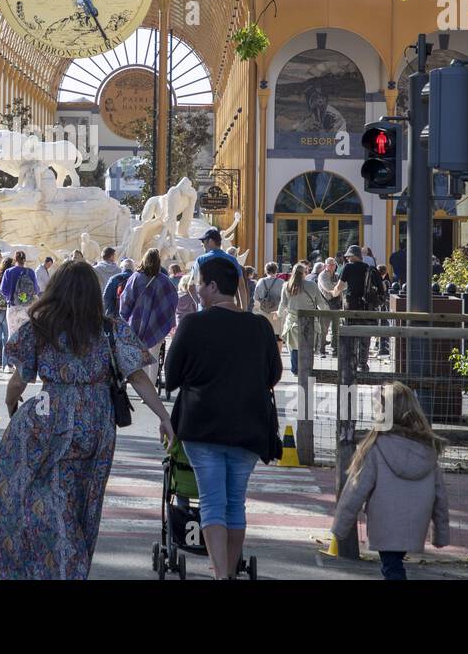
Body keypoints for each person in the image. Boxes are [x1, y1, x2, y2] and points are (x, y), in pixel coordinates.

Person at [0, 260, 174, 579]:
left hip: (46, 420)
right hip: (95, 425)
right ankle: (66, 565)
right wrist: (164, 418)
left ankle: (41, 565)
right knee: (81, 502)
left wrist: (11, 406)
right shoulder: (111, 330)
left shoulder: (39, 326)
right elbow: (138, 377)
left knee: (32, 495)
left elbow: (20, 380)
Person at [164, 257, 283, 579]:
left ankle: (221, 574)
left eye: (200, 284)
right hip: (250, 427)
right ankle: (228, 570)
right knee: (235, 504)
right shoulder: (260, 326)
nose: (197, 290)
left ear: (213, 287)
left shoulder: (193, 324)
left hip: (202, 426)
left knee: (212, 502)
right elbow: (273, 374)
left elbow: (171, 376)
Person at [332, 382, 451, 580]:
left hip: (384, 523)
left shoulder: (375, 447)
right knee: (393, 566)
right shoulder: (427, 449)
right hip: (416, 524)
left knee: (392, 569)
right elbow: (441, 496)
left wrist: (340, 528)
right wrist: (441, 533)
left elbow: (355, 490)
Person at [119, 248, 178, 383]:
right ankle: (152, 385)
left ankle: (143, 388)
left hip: (136, 323)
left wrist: (124, 317)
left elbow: (126, 300)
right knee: (154, 356)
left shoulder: (135, 277)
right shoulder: (164, 281)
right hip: (158, 324)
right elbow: (173, 300)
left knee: (141, 356)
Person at [333, 245, 384, 370]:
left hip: (352, 306)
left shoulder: (348, 267)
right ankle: (362, 364)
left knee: (351, 335)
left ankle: (351, 364)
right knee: (365, 336)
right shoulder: (368, 268)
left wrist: (333, 292)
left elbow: (339, 287)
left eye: (349, 256)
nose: (348, 259)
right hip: (366, 306)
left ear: (353, 256)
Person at [277, 262, 323, 375]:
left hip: (292, 321)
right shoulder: (312, 285)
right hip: (310, 320)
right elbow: (321, 304)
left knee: (293, 347)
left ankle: (295, 370)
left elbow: (282, 304)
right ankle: (307, 369)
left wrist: (278, 314)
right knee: (308, 347)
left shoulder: (286, 285)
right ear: (305, 273)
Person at [0, 250, 39, 337]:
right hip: (27, 307)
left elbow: (3, 290)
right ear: (24, 260)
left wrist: (11, 296)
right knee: (27, 336)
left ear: (15, 259)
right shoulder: (30, 272)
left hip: (13, 307)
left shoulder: (8, 272)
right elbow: (36, 290)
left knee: (12, 335)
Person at [251, 262, 284, 328]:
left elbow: (256, 297)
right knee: (276, 332)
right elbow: (285, 298)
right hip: (277, 311)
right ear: (276, 270)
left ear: (266, 271)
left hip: (264, 311)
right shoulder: (281, 282)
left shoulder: (261, 281)